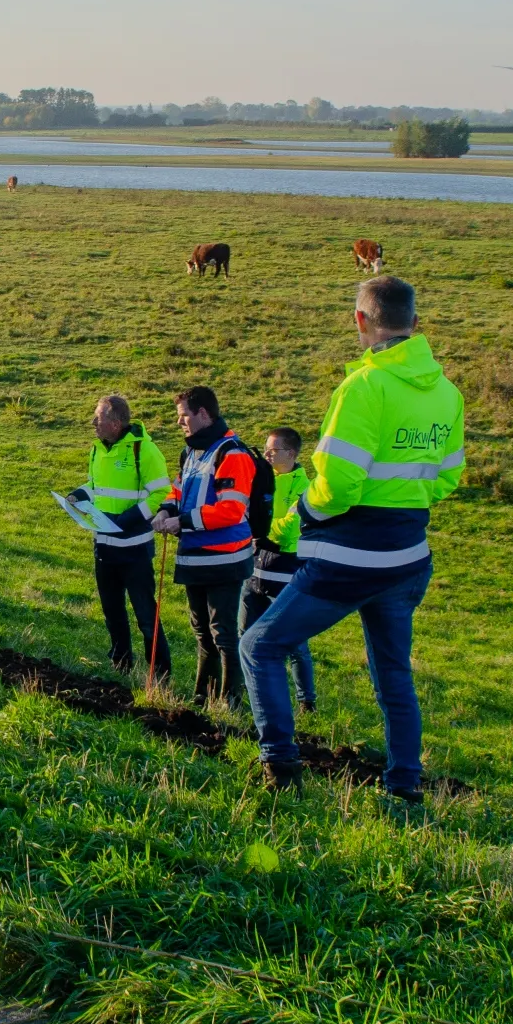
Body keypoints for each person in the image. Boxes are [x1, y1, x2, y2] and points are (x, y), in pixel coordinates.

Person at [240, 275, 464, 798]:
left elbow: (338, 484)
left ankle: (279, 765)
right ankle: (404, 786)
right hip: (408, 555)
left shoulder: (363, 388)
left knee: (260, 647)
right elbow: (448, 478)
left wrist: (305, 508)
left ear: (360, 322)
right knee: (393, 674)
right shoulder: (447, 393)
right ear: (415, 323)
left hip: (346, 558)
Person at [151, 386, 258, 707]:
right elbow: (178, 491)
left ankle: (232, 701)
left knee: (224, 633)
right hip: (194, 557)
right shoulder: (191, 453)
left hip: (225, 558)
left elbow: (230, 510)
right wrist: (166, 510)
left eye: (184, 415)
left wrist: (180, 522)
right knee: (202, 632)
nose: (179, 422)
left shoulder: (234, 454)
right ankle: (202, 697)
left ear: (203, 414)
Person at [75, 394, 169, 687]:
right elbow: (96, 486)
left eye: (98, 418)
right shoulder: (97, 449)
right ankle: (121, 666)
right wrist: (78, 495)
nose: (93, 423)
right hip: (103, 545)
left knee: (144, 614)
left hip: (135, 549)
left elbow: (161, 494)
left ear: (115, 423)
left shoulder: (145, 450)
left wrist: (129, 519)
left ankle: (160, 675)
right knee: (112, 611)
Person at [239, 426, 315, 711]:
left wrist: (260, 534)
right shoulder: (259, 479)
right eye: (266, 449)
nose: (267, 454)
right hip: (254, 567)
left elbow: (291, 527)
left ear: (291, 453)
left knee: (294, 641)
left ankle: (306, 700)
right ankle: (248, 690)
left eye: (273, 450)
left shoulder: (304, 487)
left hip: (285, 568)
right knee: (244, 633)